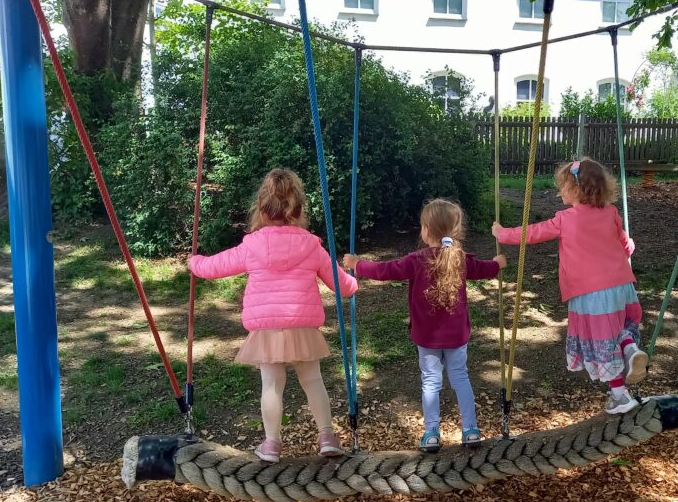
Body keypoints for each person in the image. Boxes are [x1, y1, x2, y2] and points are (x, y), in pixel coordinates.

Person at [189, 168, 358, 462]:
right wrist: (354, 282)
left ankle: (271, 444)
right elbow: (342, 285)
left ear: (262, 208)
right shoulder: (310, 245)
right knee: (313, 380)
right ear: (299, 209)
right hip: (302, 326)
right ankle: (327, 436)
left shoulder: (252, 245)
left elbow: (215, 266)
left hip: (267, 328)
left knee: (272, 384)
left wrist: (195, 262)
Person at [344, 199, 505, 452]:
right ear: (456, 230)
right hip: (457, 336)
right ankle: (471, 430)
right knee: (460, 377)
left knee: (431, 381)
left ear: (425, 230)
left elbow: (386, 270)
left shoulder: (416, 259)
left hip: (427, 336)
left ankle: (431, 433)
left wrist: (357, 265)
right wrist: (498, 264)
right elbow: (485, 269)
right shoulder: (461, 259)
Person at [493, 157, 647, 414]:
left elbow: (532, 233)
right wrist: (626, 248)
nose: (559, 191)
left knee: (602, 343)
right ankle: (629, 352)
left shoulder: (565, 219)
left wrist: (502, 233)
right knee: (619, 332)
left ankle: (621, 394)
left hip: (591, 294)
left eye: (563, 186)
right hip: (623, 286)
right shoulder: (610, 213)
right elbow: (626, 244)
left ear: (577, 189)